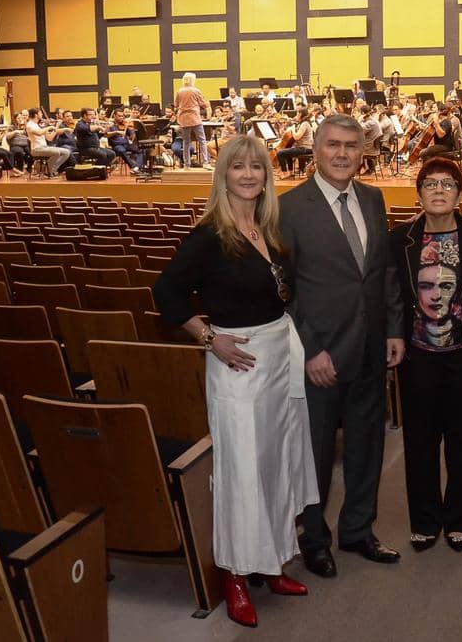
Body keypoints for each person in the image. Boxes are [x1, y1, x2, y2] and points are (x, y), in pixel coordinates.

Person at [153, 135, 318, 629]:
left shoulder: (269, 228)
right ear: (223, 174)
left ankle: (273, 562)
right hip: (238, 363)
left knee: (277, 463)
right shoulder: (208, 235)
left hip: (279, 356)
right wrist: (209, 338)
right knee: (241, 471)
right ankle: (236, 577)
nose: (249, 175)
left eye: (257, 168)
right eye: (238, 167)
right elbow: (167, 292)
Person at [279, 114, 405, 579]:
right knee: (312, 454)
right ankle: (314, 539)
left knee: (366, 448)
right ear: (315, 148)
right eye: (333, 144)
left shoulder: (373, 198)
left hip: (372, 349)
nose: (342, 154)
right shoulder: (289, 207)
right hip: (320, 358)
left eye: (351, 146)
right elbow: (283, 290)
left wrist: (394, 328)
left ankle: (357, 531)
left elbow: (384, 271)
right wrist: (310, 350)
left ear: (362, 152)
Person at [390, 157, 462, 553]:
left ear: (460, 193)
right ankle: (426, 519)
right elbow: (393, 296)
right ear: (419, 193)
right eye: (430, 183)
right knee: (420, 439)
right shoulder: (400, 239)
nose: (439, 190)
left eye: (448, 184)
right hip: (416, 354)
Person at [174, 72, 212, 170]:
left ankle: (187, 164)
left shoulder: (179, 91)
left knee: (186, 142)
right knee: (202, 140)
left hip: (183, 119)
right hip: (195, 118)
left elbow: (176, 105)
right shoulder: (196, 91)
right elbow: (204, 104)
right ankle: (205, 162)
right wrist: (208, 112)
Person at [25, 107, 70, 179]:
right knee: (56, 152)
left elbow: (49, 138)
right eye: (40, 113)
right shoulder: (30, 125)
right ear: (36, 115)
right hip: (36, 149)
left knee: (66, 152)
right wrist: (48, 127)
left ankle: (50, 170)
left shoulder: (38, 125)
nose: (42, 114)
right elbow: (39, 133)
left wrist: (56, 127)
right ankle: (49, 172)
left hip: (44, 147)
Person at [276, 109, 313, 180]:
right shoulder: (303, 123)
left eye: (297, 114)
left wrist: (292, 129)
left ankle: (285, 173)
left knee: (280, 153)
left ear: (301, 114)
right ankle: (290, 173)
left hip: (305, 148)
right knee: (287, 152)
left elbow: (297, 137)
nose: (296, 116)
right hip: (303, 147)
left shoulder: (305, 124)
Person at [106, 108, 142, 174]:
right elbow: (107, 135)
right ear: (114, 116)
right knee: (121, 150)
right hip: (116, 145)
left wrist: (132, 131)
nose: (121, 118)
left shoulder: (124, 124)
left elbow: (131, 135)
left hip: (126, 144)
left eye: (122, 116)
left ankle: (137, 167)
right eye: (119, 116)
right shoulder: (110, 124)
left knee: (140, 150)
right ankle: (133, 166)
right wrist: (116, 132)